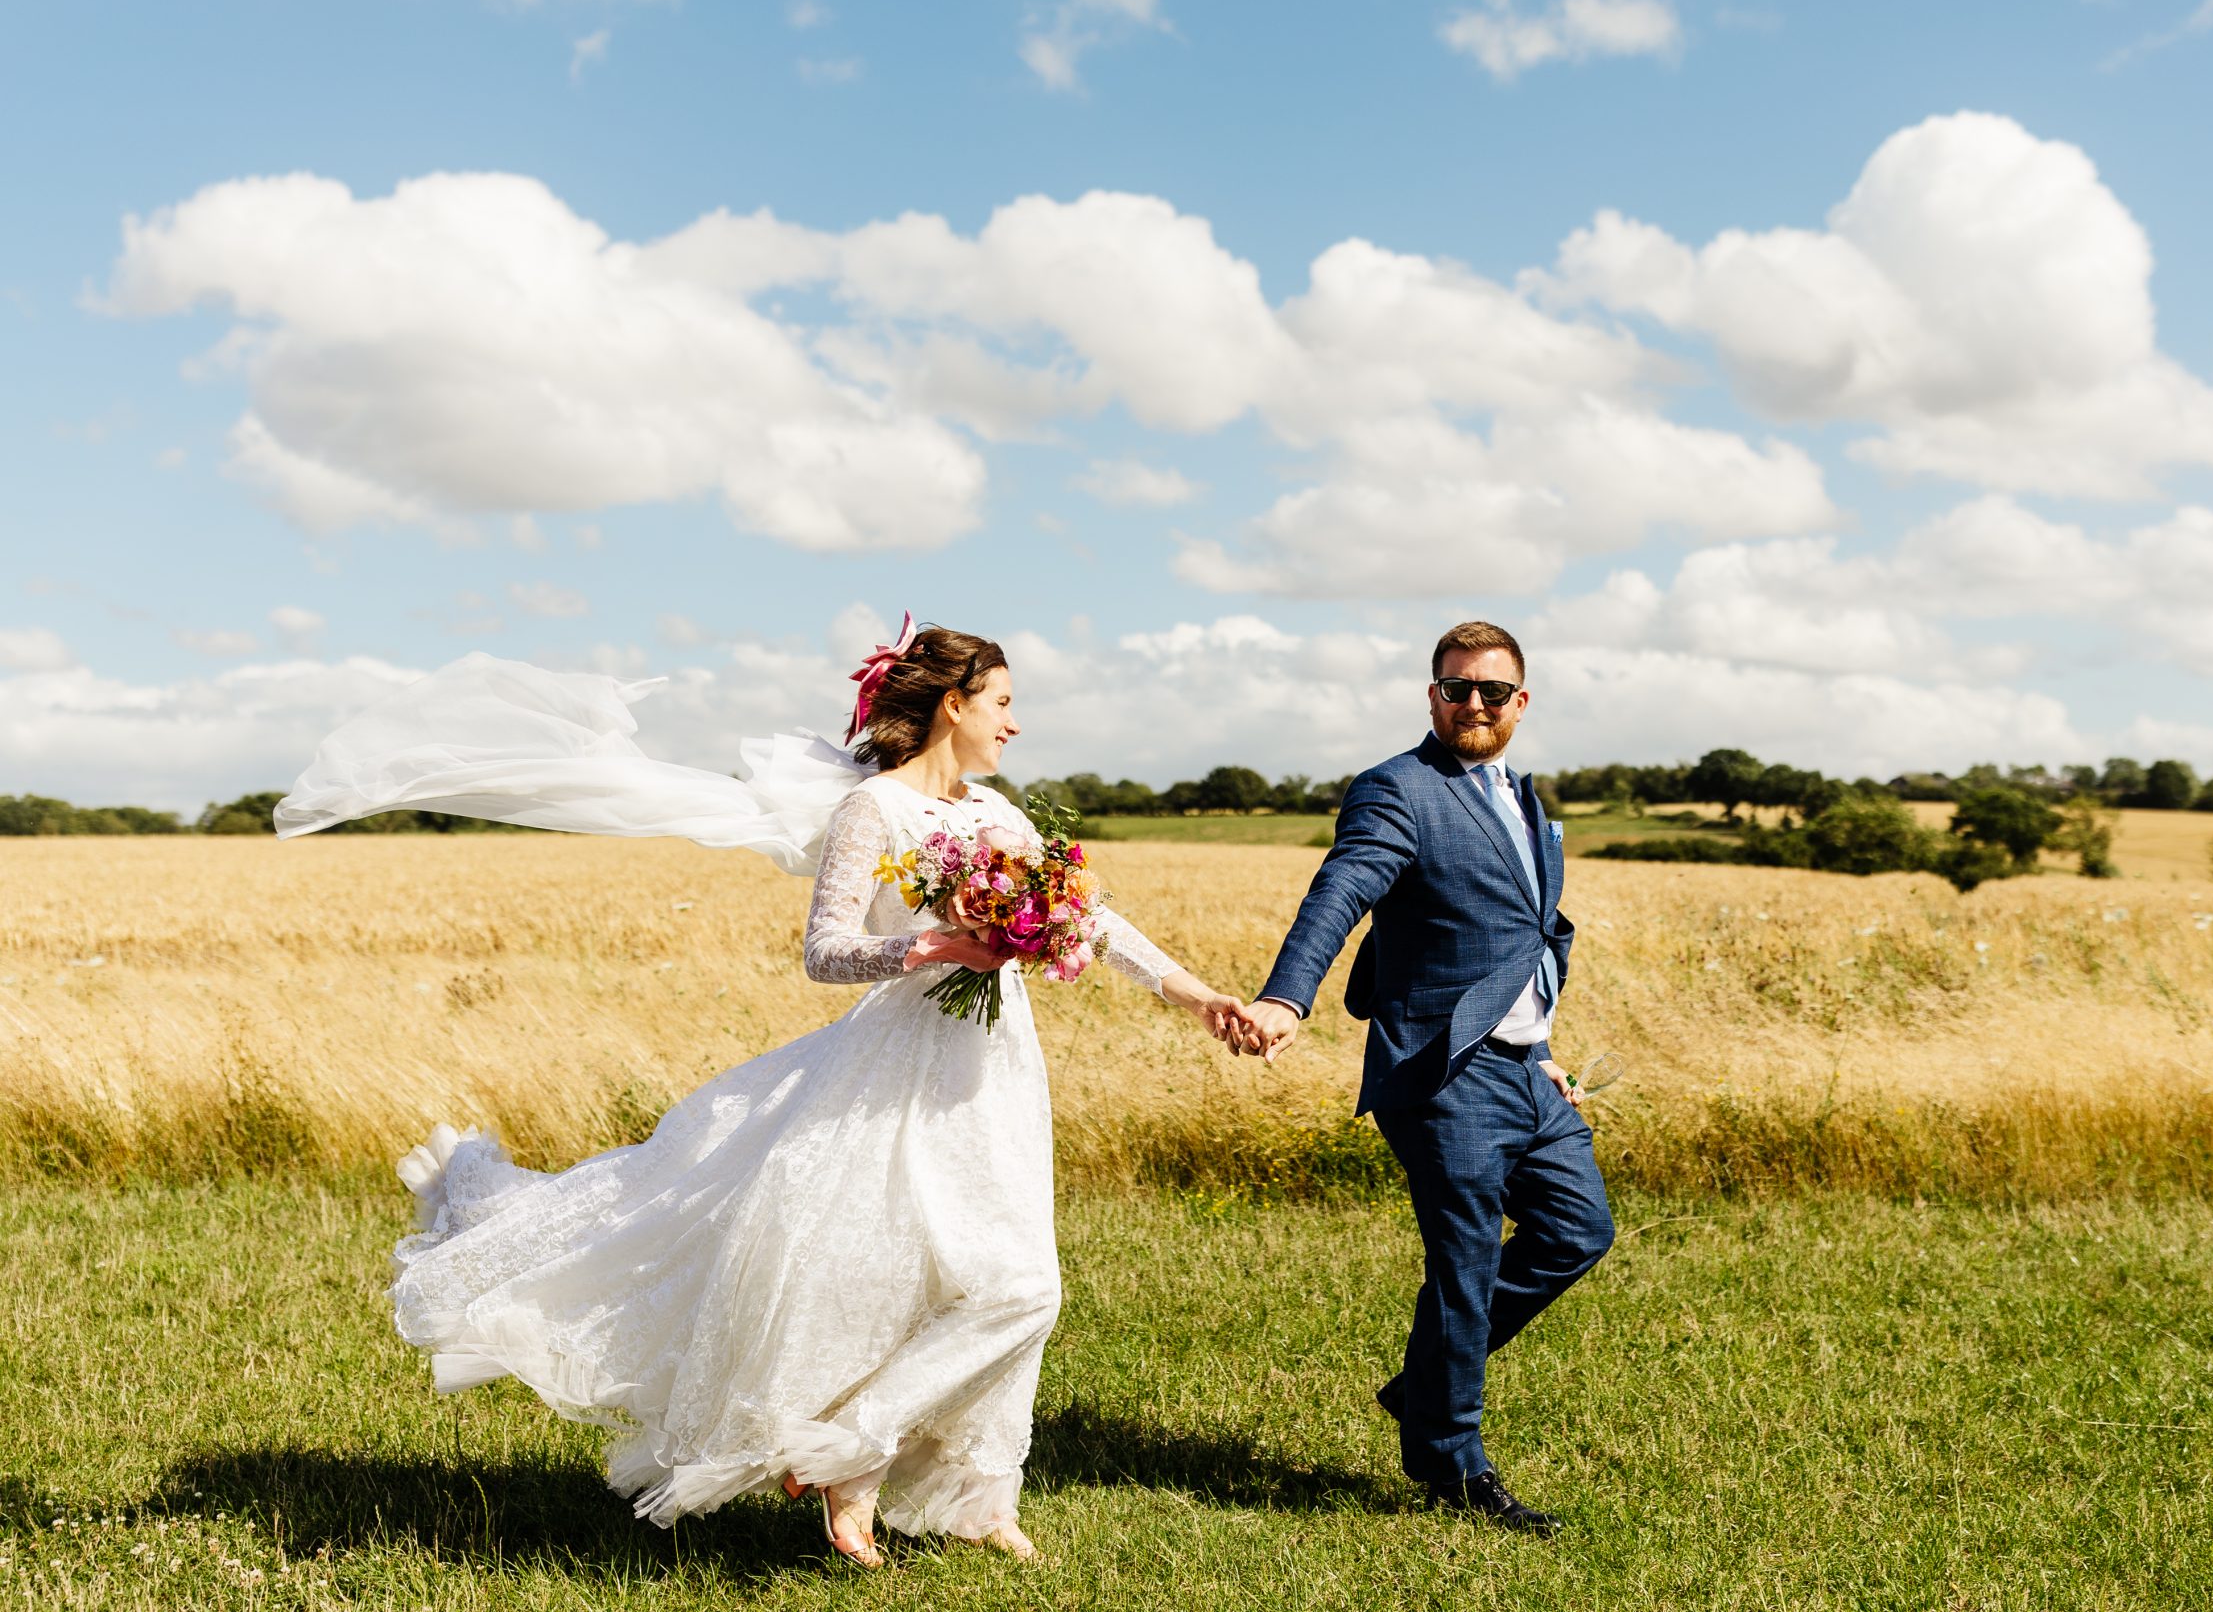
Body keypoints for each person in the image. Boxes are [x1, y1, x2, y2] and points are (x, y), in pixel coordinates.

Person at [279, 619, 1254, 1566]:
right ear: (953, 703)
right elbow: (825, 950)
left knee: (1003, 1275)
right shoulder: (872, 811)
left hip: (995, 1072)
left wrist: (1199, 994)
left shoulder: (1000, 816)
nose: (1014, 722)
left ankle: (975, 1492)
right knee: (962, 1282)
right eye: (1002, 702)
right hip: (894, 1066)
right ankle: (849, 1455)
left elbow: (1092, 918)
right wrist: (931, 944)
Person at [1230, 620, 1611, 1536]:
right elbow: (1341, 890)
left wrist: (1543, 1039)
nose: (1471, 703)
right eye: (1454, 687)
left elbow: (1532, 925)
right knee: (1467, 1262)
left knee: (1578, 1229)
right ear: (1430, 694)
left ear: (1522, 702)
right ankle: (1453, 1463)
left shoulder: (1524, 795)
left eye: (1490, 690)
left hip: (1524, 1066)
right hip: (1443, 1072)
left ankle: (1424, 1387)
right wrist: (1288, 997)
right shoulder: (1395, 790)